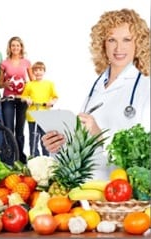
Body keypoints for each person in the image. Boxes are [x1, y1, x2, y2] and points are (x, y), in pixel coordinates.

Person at [42, 9, 150, 180]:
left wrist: (99, 135)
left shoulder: (146, 86)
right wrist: (58, 147)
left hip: (124, 191)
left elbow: (144, 154)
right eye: (111, 40)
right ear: (103, 44)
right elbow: (83, 146)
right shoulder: (97, 86)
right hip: (89, 189)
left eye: (127, 40)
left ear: (139, 43)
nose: (119, 48)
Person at [0, 36, 34, 164]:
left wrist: (31, 93)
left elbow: (32, 81)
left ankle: (20, 156)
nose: (15, 48)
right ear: (10, 47)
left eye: (17, 45)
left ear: (21, 47)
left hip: (22, 99)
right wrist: (5, 85)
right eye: (13, 45)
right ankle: (10, 157)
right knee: (9, 128)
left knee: (20, 128)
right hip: (8, 98)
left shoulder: (26, 62)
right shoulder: (4, 63)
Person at [21, 61, 58, 157]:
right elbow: (23, 97)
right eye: (36, 70)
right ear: (33, 72)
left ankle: (46, 159)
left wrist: (51, 103)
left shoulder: (49, 84)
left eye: (40, 70)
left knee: (45, 139)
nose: (38, 72)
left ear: (44, 71)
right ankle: (35, 159)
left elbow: (55, 97)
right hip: (32, 116)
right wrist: (27, 99)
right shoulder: (29, 84)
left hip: (45, 115)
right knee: (33, 140)